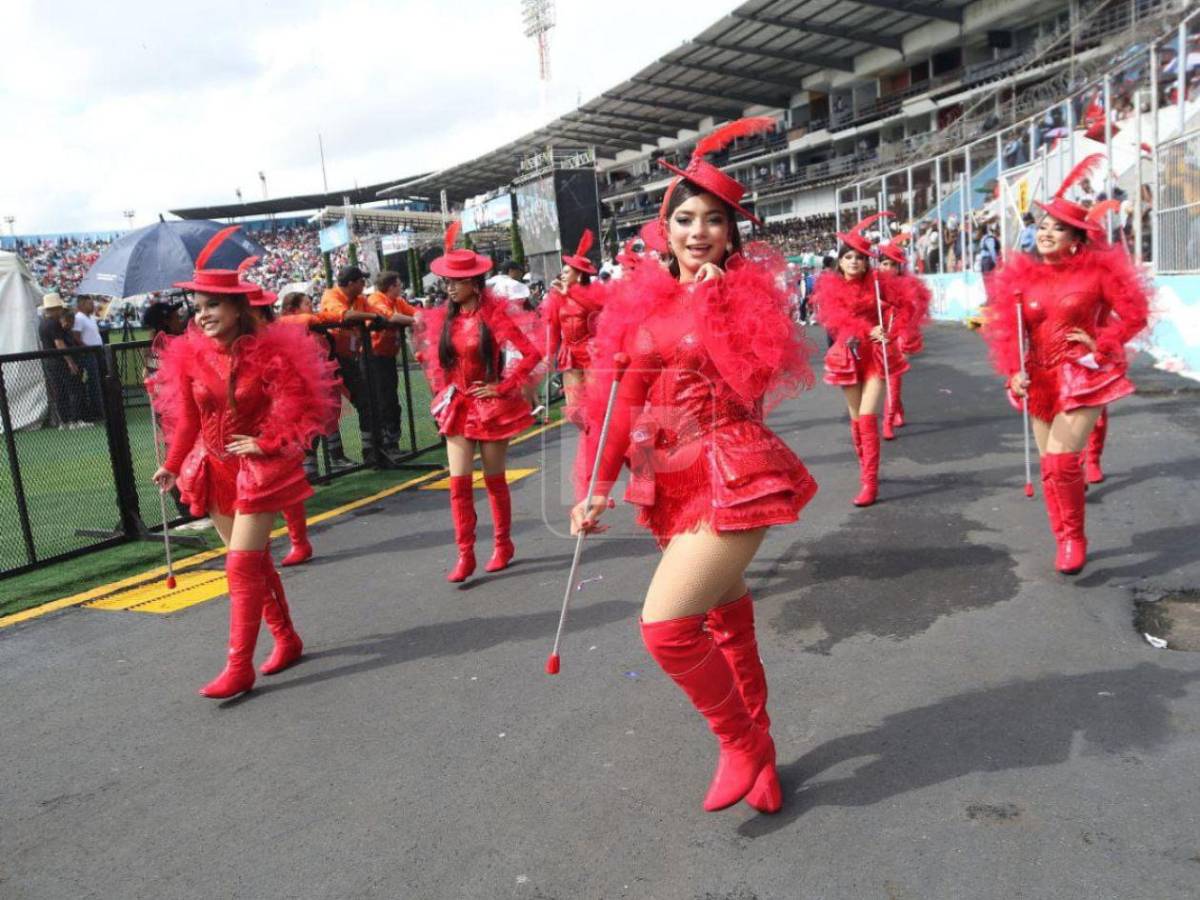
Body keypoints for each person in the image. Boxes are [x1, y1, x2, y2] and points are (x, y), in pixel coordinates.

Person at [572, 118, 818, 816]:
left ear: (732, 235)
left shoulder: (746, 299)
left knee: (666, 627)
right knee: (722, 619)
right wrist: (595, 486)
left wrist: (713, 307)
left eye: (714, 220)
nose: (699, 231)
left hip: (732, 470)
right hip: (665, 481)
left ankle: (741, 742)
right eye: (685, 218)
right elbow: (617, 404)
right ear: (664, 229)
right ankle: (764, 751)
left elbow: (751, 389)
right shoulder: (639, 305)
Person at [149, 228, 339, 698]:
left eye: (212, 306)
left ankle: (239, 666)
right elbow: (189, 420)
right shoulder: (190, 357)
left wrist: (266, 441)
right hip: (213, 470)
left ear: (237, 307)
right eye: (197, 309)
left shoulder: (271, 351)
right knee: (251, 565)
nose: (204, 316)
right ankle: (286, 638)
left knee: (239, 566)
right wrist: (172, 465)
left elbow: (302, 406)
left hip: (258, 471)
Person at [983, 155, 1150, 575]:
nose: (1046, 232)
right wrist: (1013, 370)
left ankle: (1075, 538)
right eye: (1043, 226)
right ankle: (1062, 537)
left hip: (1082, 374)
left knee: (1062, 460)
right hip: (1039, 376)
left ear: (1076, 238)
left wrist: (1101, 341)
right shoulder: (1024, 278)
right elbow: (1007, 330)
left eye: (1057, 227)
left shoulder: (1097, 275)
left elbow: (1134, 314)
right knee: (1049, 467)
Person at [414, 223, 545, 583]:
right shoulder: (446, 319)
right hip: (458, 406)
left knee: (493, 480)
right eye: (447, 282)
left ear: (474, 283)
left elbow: (532, 353)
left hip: (489, 407)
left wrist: (503, 387)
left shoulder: (493, 317)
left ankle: (503, 545)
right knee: (458, 484)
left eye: (455, 281)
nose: (449, 287)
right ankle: (465, 554)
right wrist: (444, 393)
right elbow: (439, 365)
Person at [813, 212, 909, 503]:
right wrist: (868, 329)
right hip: (847, 357)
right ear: (840, 261)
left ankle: (870, 483)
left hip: (875, 358)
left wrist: (888, 332)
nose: (854, 261)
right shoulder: (829, 289)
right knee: (856, 421)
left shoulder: (878, 284)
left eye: (860, 257)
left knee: (867, 418)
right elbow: (835, 323)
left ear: (867, 261)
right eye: (849, 257)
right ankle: (865, 468)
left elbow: (903, 308)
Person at [278, 283, 355, 475]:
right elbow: (308, 318)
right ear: (293, 309)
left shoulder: (311, 325)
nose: (311, 305)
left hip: (322, 380)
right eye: (306, 303)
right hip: (303, 385)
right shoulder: (293, 322)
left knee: (329, 418)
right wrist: (333, 316)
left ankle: (335, 457)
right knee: (310, 424)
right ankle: (309, 467)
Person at [543, 228, 605, 434]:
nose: (562, 274)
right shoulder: (557, 296)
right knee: (574, 408)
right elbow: (553, 326)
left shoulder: (592, 293)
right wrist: (549, 353)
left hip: (591, 352)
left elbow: (595, 310)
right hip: (569, 353)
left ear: (579, 274)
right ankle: (590, 433)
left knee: (597, 402)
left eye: (567, 271)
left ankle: (598, 437)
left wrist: (569, 292)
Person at [320, 265, 383, 464]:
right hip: (329, 361)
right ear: (350, 283)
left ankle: (370, 451)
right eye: (361, 281)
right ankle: (336, 457)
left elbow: (380, 315)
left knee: (365, 401)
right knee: (330, 409)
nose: (364, 284)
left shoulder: (360, 300)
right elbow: (345, 316)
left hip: (349, 359)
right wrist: (372, 317)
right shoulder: (331, 295)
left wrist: (375, 317)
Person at [877, 236, 931, 432]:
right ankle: (897, 409)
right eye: (884, 263)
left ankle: (888, 421)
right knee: (884, 377)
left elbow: (916, 308)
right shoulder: (873, 284)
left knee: (894, 375)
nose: (888, 268)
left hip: (900, 332)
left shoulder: (908, 284)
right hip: (879, 333)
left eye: (892, 264)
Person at [365, 271, 418, 459]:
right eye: (399, 284)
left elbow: (413, 312)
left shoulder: (397, 301)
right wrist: (415, 320)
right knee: (383, 401)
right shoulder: (376, 300)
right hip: (373, 357)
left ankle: (392, 443)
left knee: (391, 401)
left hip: (386, 357)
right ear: (391, 287)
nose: (401, 287)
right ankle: (384, 446)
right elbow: (392, 318)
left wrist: (418, 317)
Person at [37, 292, 86, 430]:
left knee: (59, 391)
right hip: (59, 361)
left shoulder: (42, 324)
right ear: (55, 308)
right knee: (73, 388)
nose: (60, 311)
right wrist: (70, 362)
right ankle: (75, 420)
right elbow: (59, 343)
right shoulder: (54, 323)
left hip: (49, 361)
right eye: (59, 308)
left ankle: (64, 421)